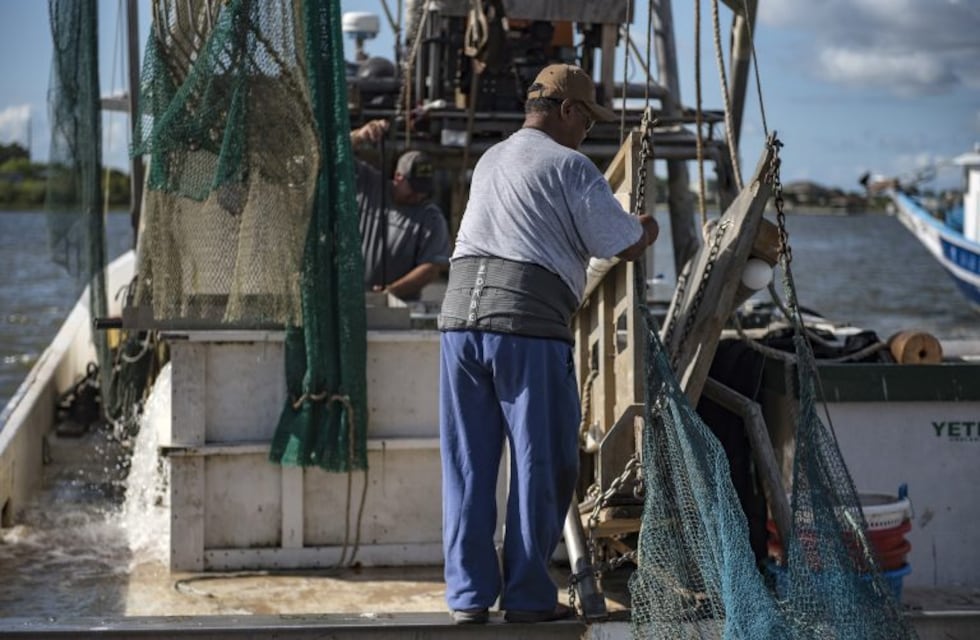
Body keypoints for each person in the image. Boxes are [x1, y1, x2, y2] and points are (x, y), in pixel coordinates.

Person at [437, 63, 659, 624]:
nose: (588, 131)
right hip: (525, 324)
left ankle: (467, 599)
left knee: (469, 464)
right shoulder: (572, 166)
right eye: (587, 119)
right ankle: (530, 598)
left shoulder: (492, 158)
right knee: (543, 462)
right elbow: (621, 241)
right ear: (566, 111)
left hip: (459, 322)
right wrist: (647, 227)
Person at [349, 120, 450, 301]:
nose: (419, 195)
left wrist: (391, 291)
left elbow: (431, 267)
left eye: (423, 189)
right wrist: (359, 136)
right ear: (398, 177)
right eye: (414, 187)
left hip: (400, 306)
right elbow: (333, 155)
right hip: (352, 297)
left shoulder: (431, 218)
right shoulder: (370, 185)